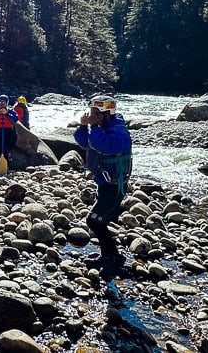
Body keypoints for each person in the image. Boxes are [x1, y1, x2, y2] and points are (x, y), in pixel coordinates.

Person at [74, 94, 133, 277]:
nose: (90, 116)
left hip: (115, 186)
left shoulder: (119, 133)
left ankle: (114, 257)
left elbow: (106, 147)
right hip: (104, 182)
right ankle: (108, 255)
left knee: (94, 220)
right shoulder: (101, 128)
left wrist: (94, 126)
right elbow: (84, 142)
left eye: (94, 113)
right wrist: (84, 126)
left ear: (105, 115)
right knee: (100, 221)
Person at [0, 94, 25, 161]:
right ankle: (6, 160)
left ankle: (8, 152)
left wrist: (7, 114)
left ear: (6, 103)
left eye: (3, 102)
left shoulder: (10, 111)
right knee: (2, 146)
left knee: (13, 140)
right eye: (0, 102)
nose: (1, 103)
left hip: (8, 130)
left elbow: (15, 119)